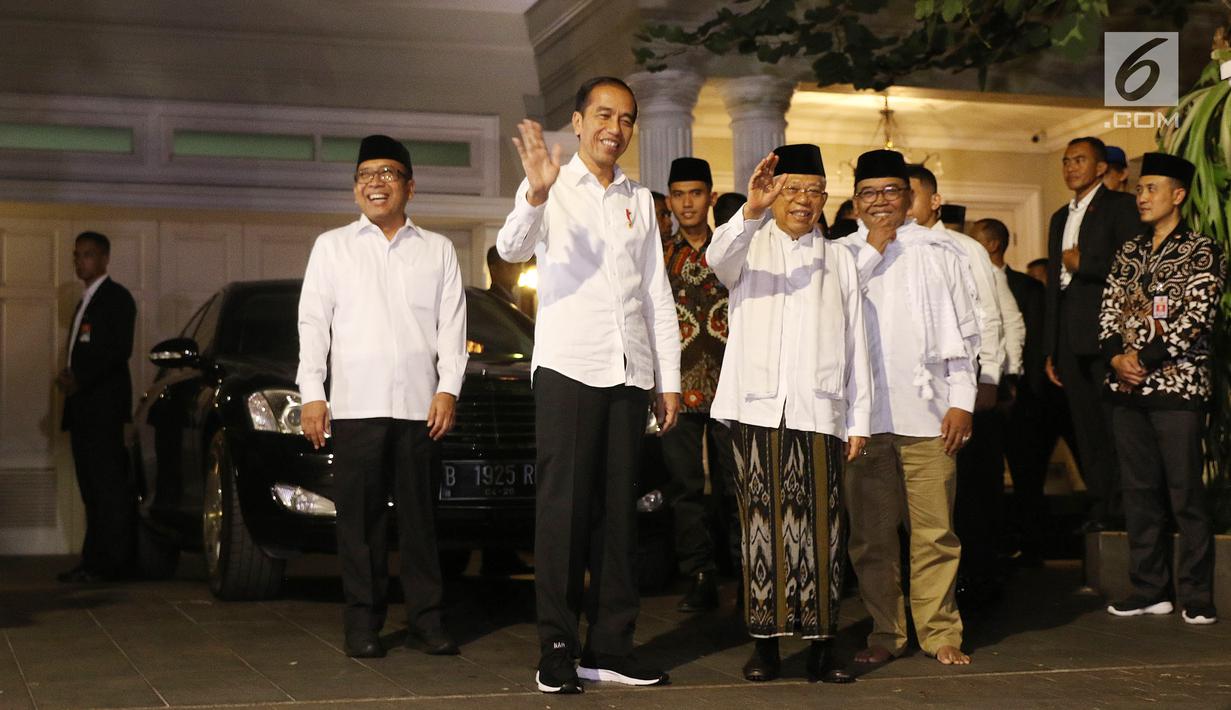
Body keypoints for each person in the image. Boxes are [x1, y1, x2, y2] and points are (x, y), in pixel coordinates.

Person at [497, 76, 681, 694]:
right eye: (605, 115)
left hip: (629, 372)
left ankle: (611, 645)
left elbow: (656, 292)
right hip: (569, 368)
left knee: (617, 515)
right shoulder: (554, 187)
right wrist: (534, 194)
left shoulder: (639, 198)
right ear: (577, 122)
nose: (616, 128)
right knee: (563, 511)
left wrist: (667, 379)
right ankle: (556, 644)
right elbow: (509, 246)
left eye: (627, 119)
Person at [298, 135, 468, 660]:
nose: (376, 182)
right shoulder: (332, 246)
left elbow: (453, 328)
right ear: (355, 190)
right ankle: (363, 623)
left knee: (420, 522)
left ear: (409, 186)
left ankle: (427, 620)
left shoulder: (437, 249)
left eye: (388, 173)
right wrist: (311, 393)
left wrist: (448, 388)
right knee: (359, 524)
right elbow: (313, 324)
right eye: (365, 175)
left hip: (420, 408)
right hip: (355, 407)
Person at [708, 144, 870, 684]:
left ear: (826, 199)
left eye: (813, 191)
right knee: (762, 531)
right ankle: (766, 647)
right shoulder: (747, 248)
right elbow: (715, 258)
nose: (802, 200)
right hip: (756, 410)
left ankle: (823, 647)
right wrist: (750, 210)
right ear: (775, 193)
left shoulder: (842, 257)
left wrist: (860, 420)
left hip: (821, 412)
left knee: (822, 534)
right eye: (792, 188)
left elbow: (856, 346)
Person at [838, 149, 980, 666]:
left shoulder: (940, 253)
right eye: (869, 192)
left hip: (930, 418)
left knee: (936, 533)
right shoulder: (841, 255)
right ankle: (885, 633)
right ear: (855, 203)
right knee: (871, 539)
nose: (880, 201)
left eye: (891, 191)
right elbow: (833, 318)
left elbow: (967, 333)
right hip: (864, 422)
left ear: (909, 198)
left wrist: (962, 402)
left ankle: (940, 632)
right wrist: (873, 248)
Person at [1100, 153, 1225, 625]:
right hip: (1127, 388)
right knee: (1138, 492)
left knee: (1185, 492)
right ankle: (1151, 589)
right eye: (1139, 189)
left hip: (1178, 387)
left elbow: (1196, 317)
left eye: (1152, 188)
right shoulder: (1129, 250)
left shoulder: (1202, 250)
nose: (1142, 196)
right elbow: (1110, 307)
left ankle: (1196, 593)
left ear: (1178, 195)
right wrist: (1116, 356)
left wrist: (1144, 359)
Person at [906, 165, 1020, 604]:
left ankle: (980, 584)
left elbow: (988, 317)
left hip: (963, 388)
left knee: (972, 494)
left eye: (910, 194)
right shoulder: (889, 247)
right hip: (915, 397)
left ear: (934, 200)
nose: (901, 203)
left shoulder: (964, 248)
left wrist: (987, 377)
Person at [1044, 137, 1140, 532]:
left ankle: (1123, 508)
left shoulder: (1120, 206)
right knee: (1085, 429)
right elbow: (1054, 285)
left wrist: (1088, 264)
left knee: (1114, 424)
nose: (1070, 167)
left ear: (1101, 167)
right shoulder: (1057, 217)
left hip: (1106, 335)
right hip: (1069, 337)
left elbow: (1133, 265)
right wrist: (1050, 347)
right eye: (1066, 161)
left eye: (1079, 160)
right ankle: (1101, 506)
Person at [659, 156, 740, 612]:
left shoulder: (730, 250)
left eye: (695, 193)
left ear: (710, 197)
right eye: (679, 194)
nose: (687, 203)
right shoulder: (660, 254)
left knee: (736, 484)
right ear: (670, 200)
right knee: (685, 488)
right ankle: (700, 573)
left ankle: (747, 574)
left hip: (732, 388)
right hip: (677, 388)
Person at [970, 219, 1052, 567]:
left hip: (1020, 394)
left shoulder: (1026, 287)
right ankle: (994, 545)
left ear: (989, 245)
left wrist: (1015, 384)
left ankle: (1032, 546)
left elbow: (1023, 333)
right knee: (984, 476)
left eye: (972, 241)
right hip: (980, 391)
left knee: (1025, 471)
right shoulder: (967, 278)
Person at [56, 231, 137, 583]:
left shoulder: (116, 298)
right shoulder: (84, 300)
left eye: (87, 255)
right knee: (90, 489)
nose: (80, 261)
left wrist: (81, 378)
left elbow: (118, 350)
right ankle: (92, 562)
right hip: (82, 409)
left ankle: (112, 566)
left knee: (107, 489)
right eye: (77, 255)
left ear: (104, 258)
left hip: (102, 409)